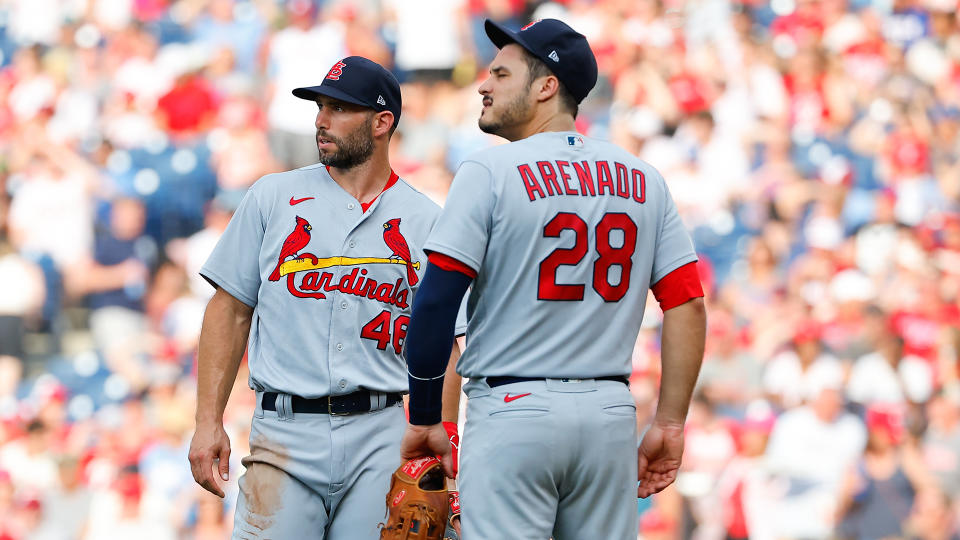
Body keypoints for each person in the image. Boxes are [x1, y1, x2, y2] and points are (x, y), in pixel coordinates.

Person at [398, 19, 707, 539]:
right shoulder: (643, 177)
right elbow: (687, 304)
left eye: (500, 73)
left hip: (514, 410)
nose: (483, 83)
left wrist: (427, 416)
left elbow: (434, 305)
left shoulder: (490, 171)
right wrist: (670, 422)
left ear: (546, 86)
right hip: (608, 413)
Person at [187, 56, 464, 538]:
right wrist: (208, 422)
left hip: (382, 432)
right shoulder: (272, 198)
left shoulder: (426, 221)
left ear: (382, 123)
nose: (321, 120)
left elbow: (448, 345)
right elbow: (228, 311)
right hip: (283, 431)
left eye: (339, 108)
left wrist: (442, 434)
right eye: (321, 107)